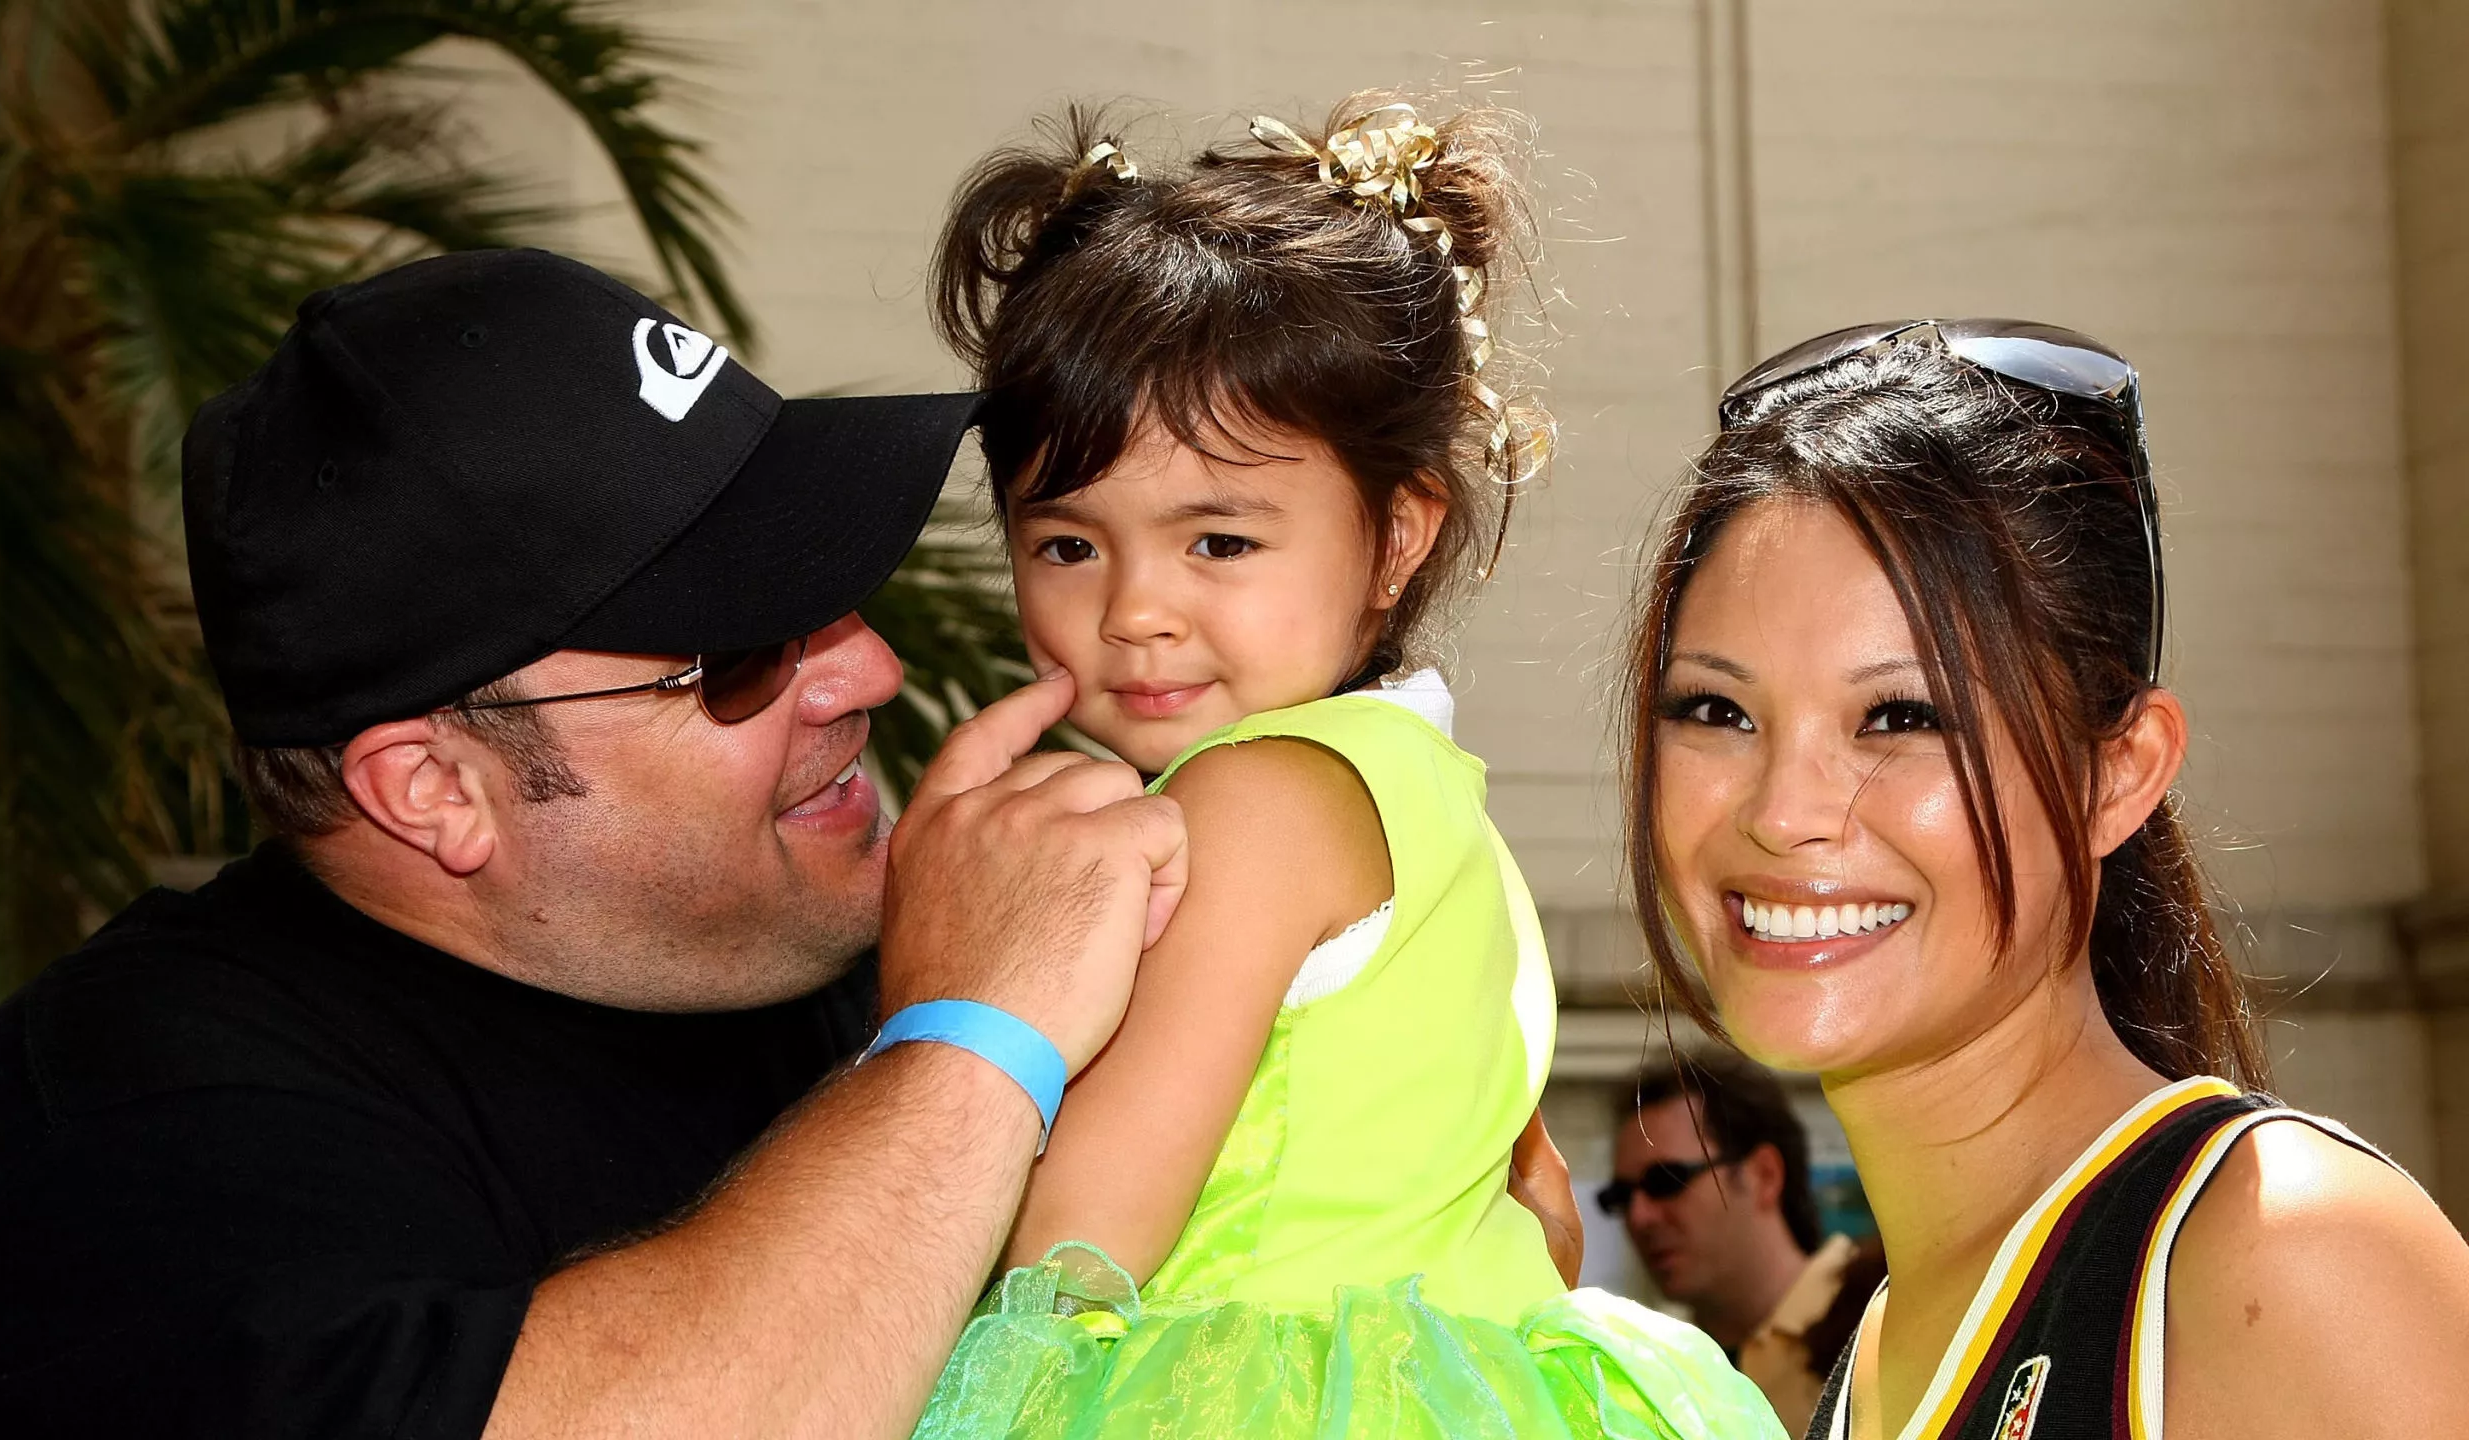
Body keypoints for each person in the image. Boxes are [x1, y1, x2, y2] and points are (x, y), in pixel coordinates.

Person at [0, 247, 1194, 1439]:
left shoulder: (808, 948)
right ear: (433, 790)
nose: (870, 672)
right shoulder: (130, 1126)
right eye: (740, 657)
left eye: (834, 594)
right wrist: (973, 1043)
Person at [905, 97, 1785, 1439]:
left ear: (1398, 536)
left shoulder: (1253, 798)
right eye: (1067, 545)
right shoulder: (1427, 796)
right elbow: (1537, 1215)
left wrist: (941, 1014)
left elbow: (1072, 1248)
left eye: (1219, 542)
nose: (1135, 610)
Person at [1618, 319, 2469, 1439]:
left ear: (2119, 773)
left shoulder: (2287, 1256)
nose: (1782, 813)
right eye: (1717, 710)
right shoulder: (1873, 1355)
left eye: (1901, 717)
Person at [1605, 1058, 1885, 1432]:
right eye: (1620, 1197)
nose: (1639, 1216)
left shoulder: (1884, 1321)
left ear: (1764, 1175)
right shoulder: (1651, 1377)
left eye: (1667, 1180)